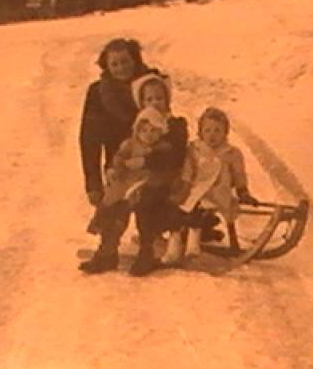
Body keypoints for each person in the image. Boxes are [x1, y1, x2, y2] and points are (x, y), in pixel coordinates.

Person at [78, 38, 153, 274]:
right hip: (118, 160)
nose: (121, 68)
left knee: (148, 202)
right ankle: (107, 252)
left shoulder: (149, 85)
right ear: (107, 66)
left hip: (150, 157)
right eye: (115, 64)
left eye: (125, 61)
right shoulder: (98, 93)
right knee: (113, 204)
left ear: (135, 60)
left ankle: (148, 250)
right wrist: (93, 182)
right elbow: (89, 139)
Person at [162, 107, 258, 266]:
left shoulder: (231, 153)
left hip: (218, 193)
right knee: (179, 207)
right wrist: (183, 187)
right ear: (200, 132)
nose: (212, 135)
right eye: (207, 130)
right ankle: (174, 242)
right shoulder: (195, 149)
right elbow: (188, 170)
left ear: (225, 132)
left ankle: (193, 245)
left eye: (217, 130)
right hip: (194, 190)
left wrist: (243, 192)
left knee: (198, 207)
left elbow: (239, 175)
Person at [126, 73, 189, 277]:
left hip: (175, 176)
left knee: (149, 199)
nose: (154, 103)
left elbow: (175, 155)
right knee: (132, 196)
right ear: (141, 103)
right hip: (149, 177)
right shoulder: (141, 126)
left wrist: (146, 161)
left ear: (167, 100)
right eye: (149, 99)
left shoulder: (176, 125)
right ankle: (149, 239)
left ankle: (148, 251)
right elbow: (131, 150)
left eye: (159, 98)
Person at [101, 106, 169, 209]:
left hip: (145, 184)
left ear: (160, 131)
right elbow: (119, 158)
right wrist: (119, 169)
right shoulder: (130, 145)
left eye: (153, 130)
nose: (148, 134)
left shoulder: (162, 148)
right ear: (137, 132)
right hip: (126, 179)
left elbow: (163, 167)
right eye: (144, 131)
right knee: (113, 198)